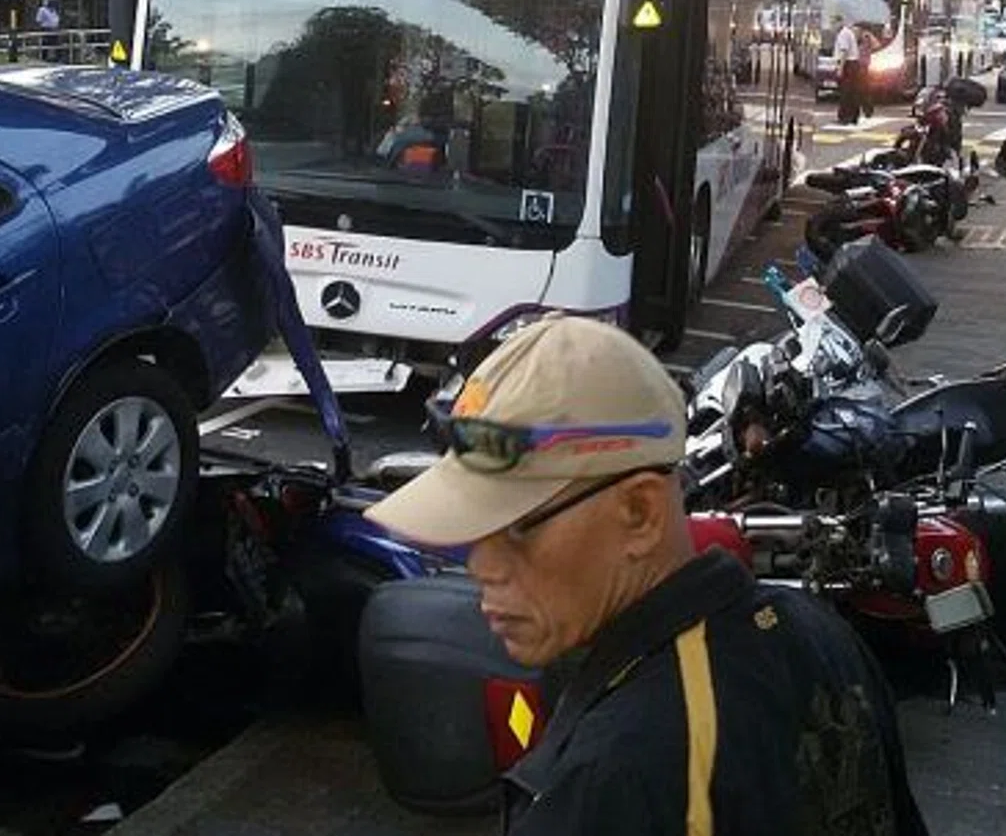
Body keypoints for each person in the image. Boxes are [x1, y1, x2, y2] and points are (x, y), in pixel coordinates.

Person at [364, 314, 930, 836]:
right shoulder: (818, 633)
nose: (479, 565)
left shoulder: (611, 779)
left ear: (639, 513)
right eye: (470, 528)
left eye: (515, 527)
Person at [833, 18, 865, 126]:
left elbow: (844, 51)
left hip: (848, 65)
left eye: (834, 23)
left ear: (840, 22)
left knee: (845, 93)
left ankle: (844, 117)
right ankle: (853, 117)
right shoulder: (848, 32)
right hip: (854, 64)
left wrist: (840, 68)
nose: (833, 26)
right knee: (852, 92)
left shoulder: (843, 34)